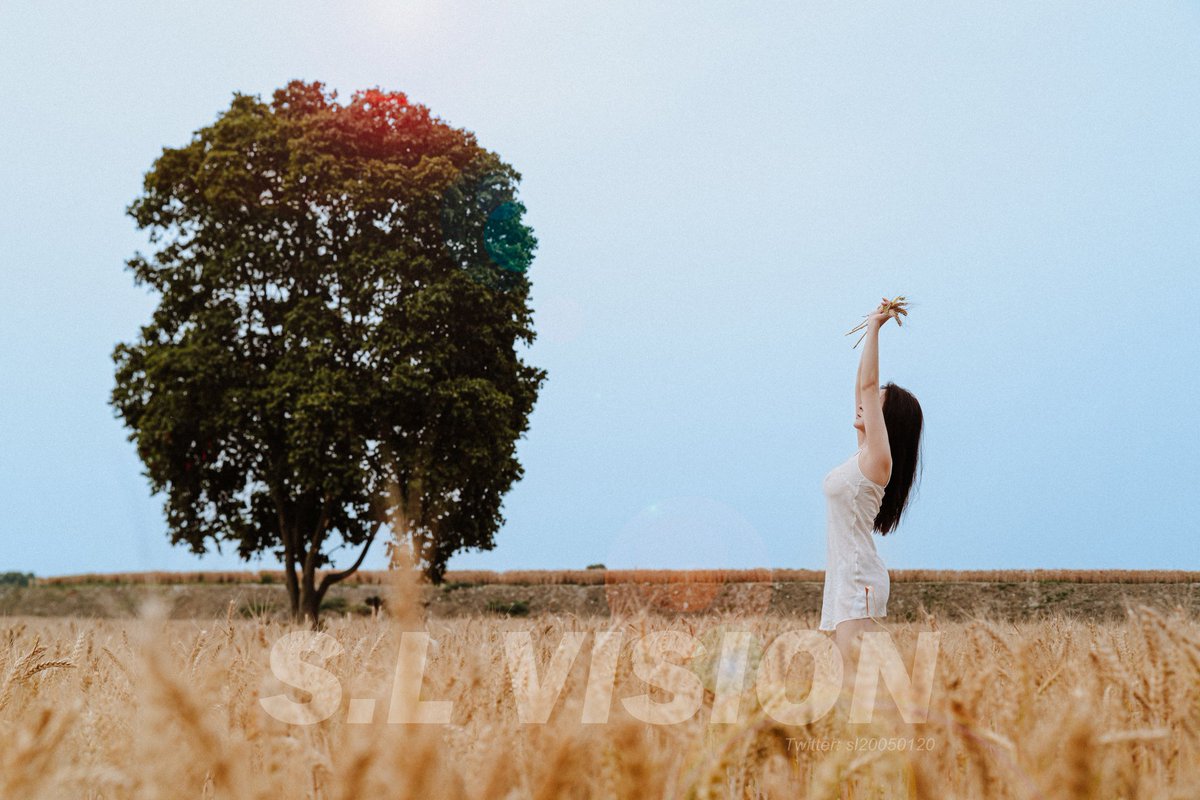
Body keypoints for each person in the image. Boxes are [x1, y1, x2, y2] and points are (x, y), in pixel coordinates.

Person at [819, 299, 924, 676]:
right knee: (850, 683)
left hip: (859, 580)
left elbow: (867, 385)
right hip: (847, 579)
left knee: (855, 687)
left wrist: (875, 326)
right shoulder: (863, 457)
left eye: (874, 406)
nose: (863, 405)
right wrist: (868, 332)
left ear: (886, 422)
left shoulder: (880, 460)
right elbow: (860, 387)